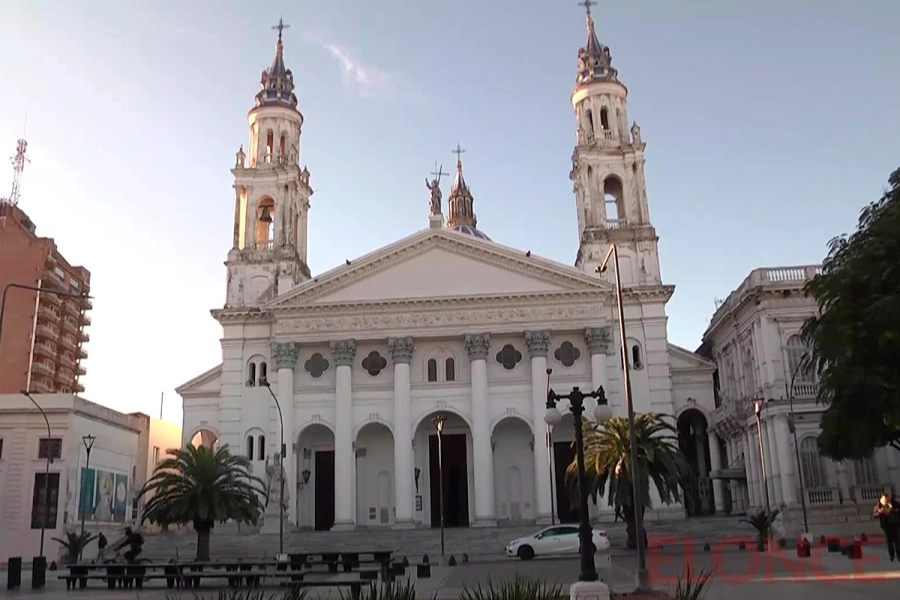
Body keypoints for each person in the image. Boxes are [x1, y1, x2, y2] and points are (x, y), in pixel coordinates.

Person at [872, 493, 900, 561]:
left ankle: (899, 556)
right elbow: (875, 515)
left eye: (887, 498)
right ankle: (892, 555)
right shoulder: (879, 506)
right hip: (886, 526)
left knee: (898, 541)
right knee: (889, 542)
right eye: (884, 499)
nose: (886, 500)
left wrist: (895, 510)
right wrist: (879, 512)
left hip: (896, 524)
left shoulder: (895, 504)